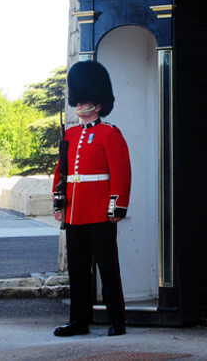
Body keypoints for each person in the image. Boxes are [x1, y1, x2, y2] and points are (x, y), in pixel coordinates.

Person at [52, 60, 131, 337]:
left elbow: (120, 173)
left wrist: (116, 206)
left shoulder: (110, 133)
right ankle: (79, 321)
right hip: (74, 212)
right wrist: (59, 202)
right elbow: (61, 172)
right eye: (78, 102)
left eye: (84, 102)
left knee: (108, 268)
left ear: (96, 105)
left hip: (99, 211)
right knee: (78, 271)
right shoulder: (71, 134)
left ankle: (117, 321)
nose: (79, 106)